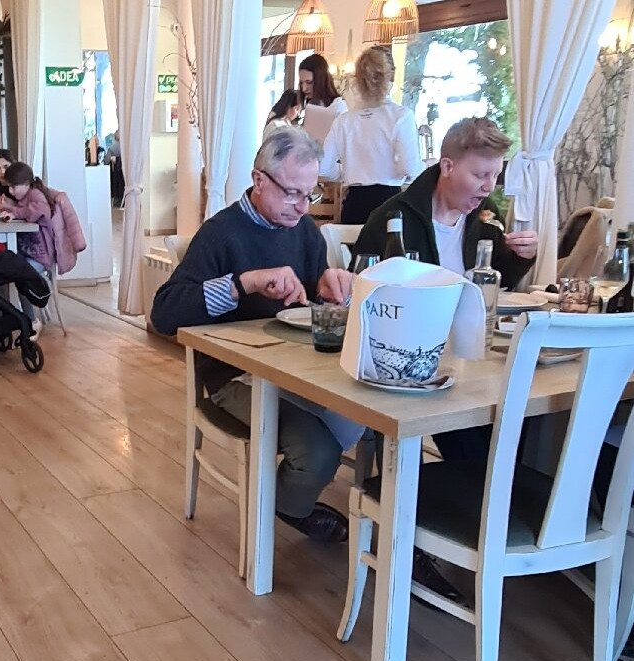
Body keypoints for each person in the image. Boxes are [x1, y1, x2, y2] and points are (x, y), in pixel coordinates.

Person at [150, 127, 357, 542]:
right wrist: (243, 283)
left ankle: (341, 513)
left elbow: (309, 303)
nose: (302, 207)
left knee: (369, 418)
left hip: (297, 368)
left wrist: (329, 288)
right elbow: (164, 312)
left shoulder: (305, 231)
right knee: (317, 452)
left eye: (310, 194)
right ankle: (287, 508)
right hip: (234, 376)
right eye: (292, 193)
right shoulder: (221, 233)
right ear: (259, 180)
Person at [353, 116, 538, 461]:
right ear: (448, 166)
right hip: (413, 359)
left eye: (495, 176)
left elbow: (497, 284)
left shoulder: (486, 216)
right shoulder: (394, 218)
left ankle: (491, 486)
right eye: (480, 175)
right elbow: (361, 293)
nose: (488, 187)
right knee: (478, 427)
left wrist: (520, 257)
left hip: (473, 353)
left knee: (525, 409)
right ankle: (481, 488)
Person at [320, 47, 425, 224]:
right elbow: (409, 168)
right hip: (388, 203)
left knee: (353, 242)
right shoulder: (401, 116)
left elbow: (323, 167)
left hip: (354, 203)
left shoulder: (344, 120)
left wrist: (347, 172)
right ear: (390, 76)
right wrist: (426, 166)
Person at [0, 161, 61, 341]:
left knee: (20, 275)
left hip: (41, 255)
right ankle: (17, 318)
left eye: (13, 187)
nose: (11, 191)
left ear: (26, 184)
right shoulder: (26, 196)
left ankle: (32, 321)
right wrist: (11, 207)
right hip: (28, 252)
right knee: (4, 268)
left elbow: (36, 212)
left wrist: (13, 211)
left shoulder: (36, 195)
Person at [106, 130, 124, 207]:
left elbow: (106, 161)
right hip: (123, 178)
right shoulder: (127, 149)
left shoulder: (112, 148)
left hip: (116, 178)